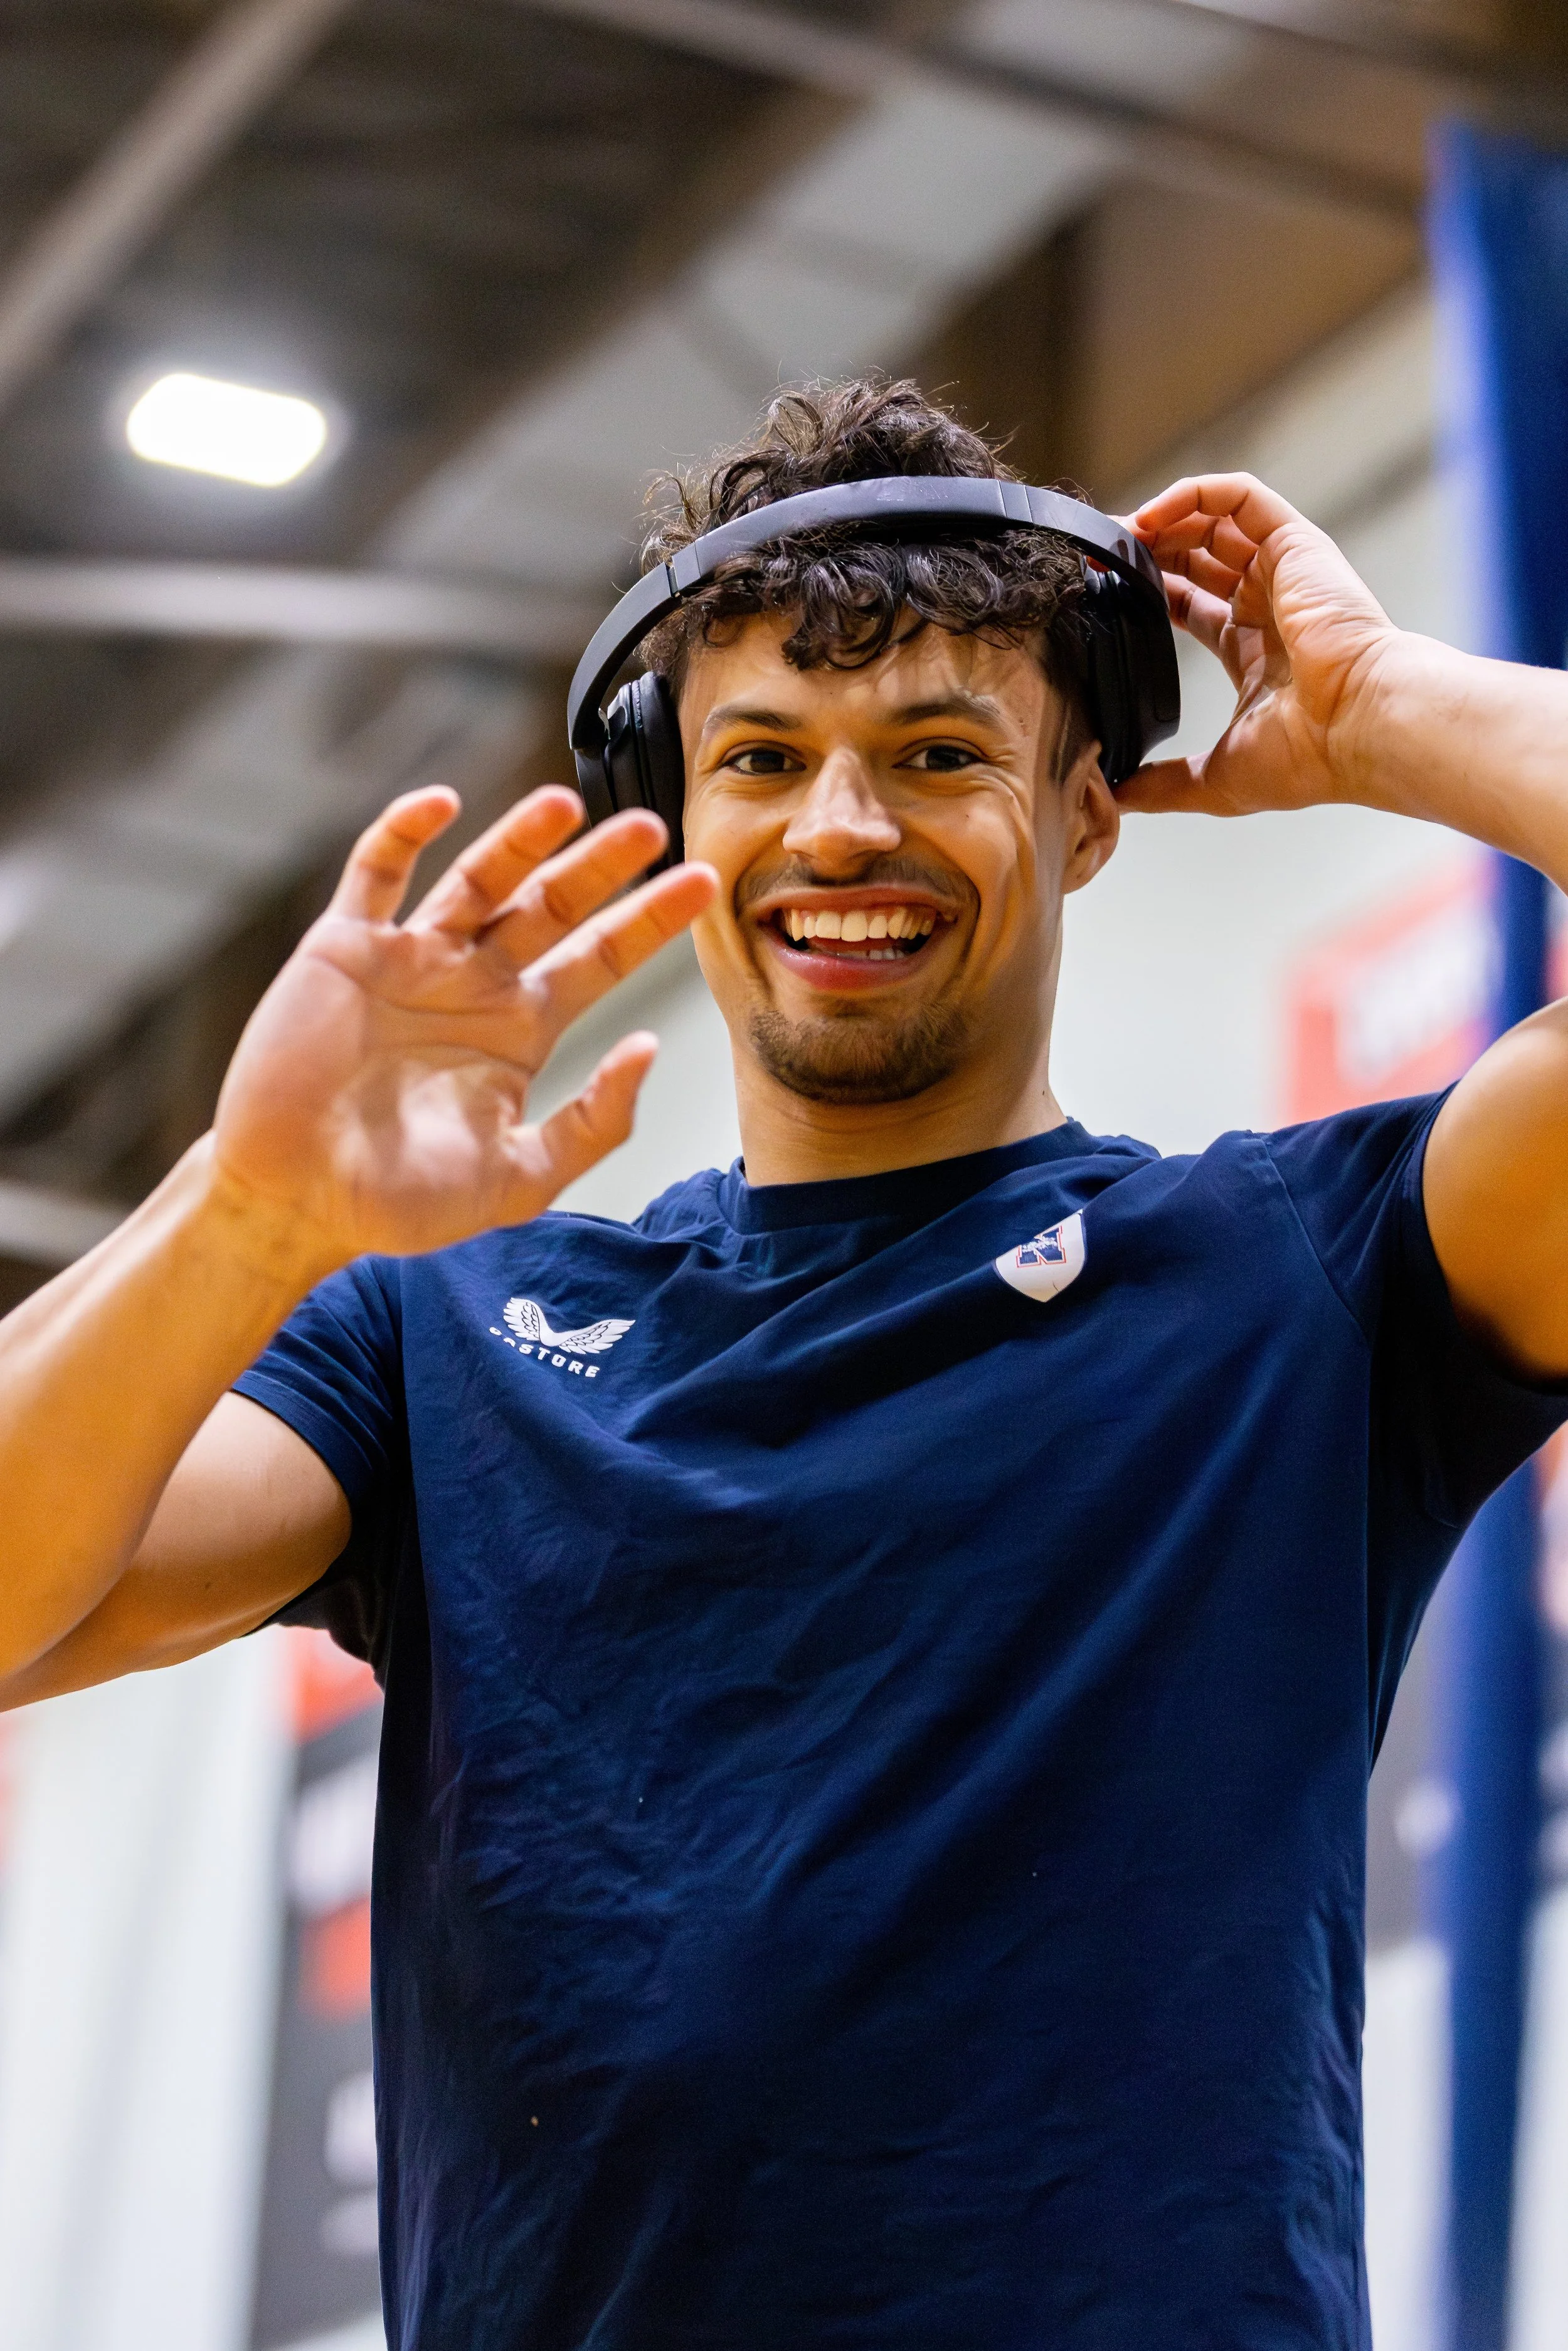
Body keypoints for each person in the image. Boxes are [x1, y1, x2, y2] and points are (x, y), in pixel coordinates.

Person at [3, 376, 1567, 2350]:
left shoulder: (1305, 1275)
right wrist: (243, 1213)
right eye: (762, 754)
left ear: (1087, 813)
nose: (841, 825)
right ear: (684, 816)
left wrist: (1391, 712)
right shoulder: (447, 1333)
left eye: (934, 750)